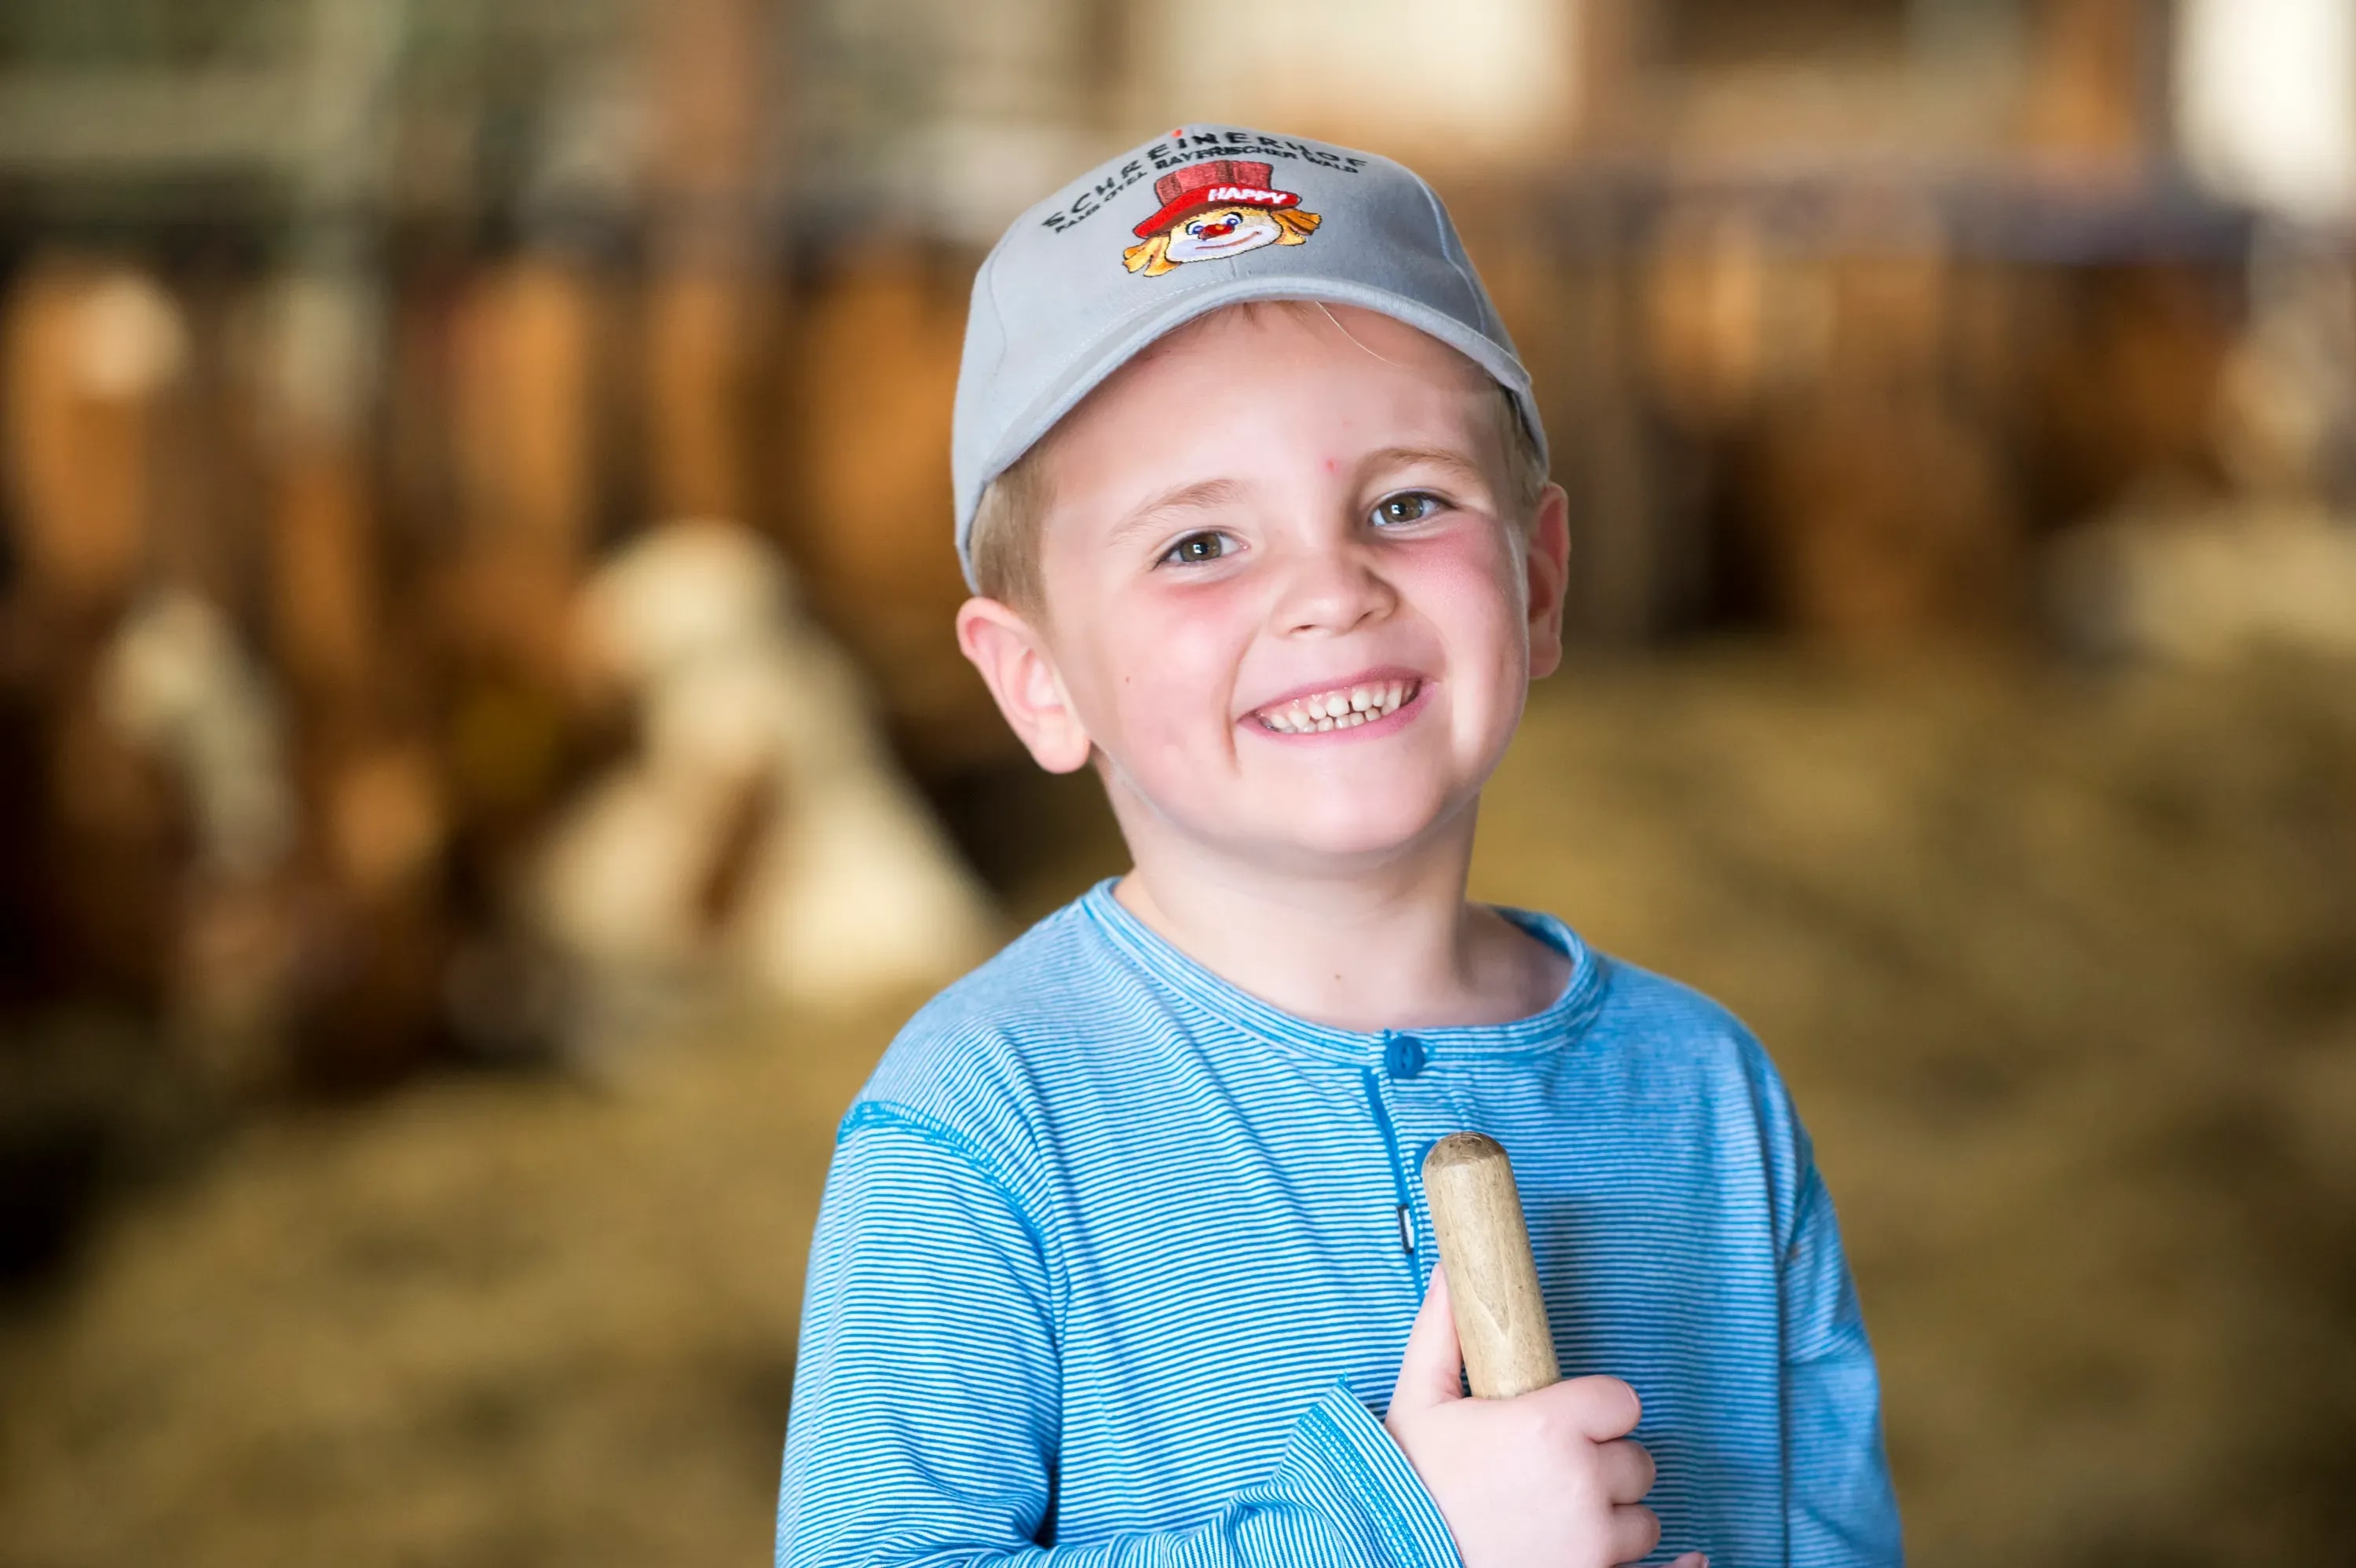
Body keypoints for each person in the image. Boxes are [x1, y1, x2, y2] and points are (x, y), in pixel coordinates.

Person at [775, 126, 1904, 1568]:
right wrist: (1392, 1538)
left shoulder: (1708, 1098)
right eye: (1198, 544)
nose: (1331, 590)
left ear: (1540, 577)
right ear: (1035, 678)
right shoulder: (986, 1123)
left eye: (1408, 504)